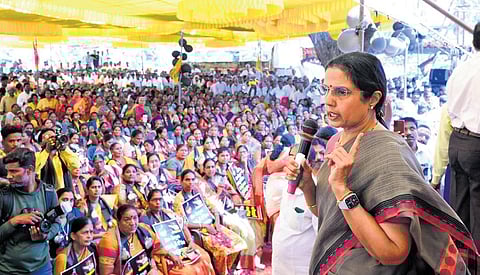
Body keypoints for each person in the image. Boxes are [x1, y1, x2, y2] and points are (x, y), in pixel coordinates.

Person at [285, 52, 477, 274]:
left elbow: (394, 251)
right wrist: (309, 186)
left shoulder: (389, 155)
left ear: (373, 99)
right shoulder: (336, 142)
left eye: (341, 92)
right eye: (326, 89)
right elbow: (335, 219)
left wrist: (342, 190)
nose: (329, 100)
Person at [446, 22, 480, 274]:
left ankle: (459, 266)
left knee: (460, 211)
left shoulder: (463, 67)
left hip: (457, 141)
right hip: (476, 144)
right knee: (478, 215)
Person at [0, 148, 62, 274]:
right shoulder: (4, 196)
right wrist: (14, 221)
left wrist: (46, 235)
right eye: (7, 171)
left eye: (14, 171)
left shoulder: (49, 193)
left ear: (29, 170)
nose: (8, 176)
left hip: (42, 267)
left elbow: (58, 221)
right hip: (9, 269)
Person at [173, 169, 247, 275]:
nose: (190, 182)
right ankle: (221, 272)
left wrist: (217, 222)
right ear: (181, 181)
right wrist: (204, 226)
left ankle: (228, 269)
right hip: (200, 231)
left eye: (193, 179)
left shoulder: (198, 193)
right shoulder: (179, 199)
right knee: (222, 251)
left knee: (239, 242)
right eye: (187, 180)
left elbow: (213, 208)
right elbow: (183, 223)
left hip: (213, 225)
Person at [140, 189, 216, 275]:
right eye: (154, 200)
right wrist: (169, 254)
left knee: (205, 257)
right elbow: (150, 246)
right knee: (187, 271)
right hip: (163, 253)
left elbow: (183, 226)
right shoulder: (144, 220)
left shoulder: (168, 213)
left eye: (160, 199)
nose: (158, 202)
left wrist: (190, 241)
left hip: (180, 246)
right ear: (148, 202)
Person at [98, 204, 163, 275]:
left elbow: (152, 255)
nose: (132, 223)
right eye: (127, 219)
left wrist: (153, 268)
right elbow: (106, 274)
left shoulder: (144, 229)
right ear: (118, 221)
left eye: (135, 218)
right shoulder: (109, 241)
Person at [81, 176, 115, 242]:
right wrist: (101, 235)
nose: (97, 190)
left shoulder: (105, 202)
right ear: (87, 190)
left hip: (109, 234)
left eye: (99, 187)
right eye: (93, 187)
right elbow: (82, 232)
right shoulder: (83, 206)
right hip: (93, 240)